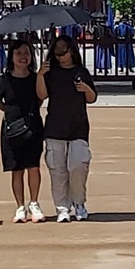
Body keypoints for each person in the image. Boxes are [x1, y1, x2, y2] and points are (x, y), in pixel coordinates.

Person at [40, 36, 96, 222]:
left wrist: (86, 88)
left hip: (78, 126)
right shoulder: (50, 72)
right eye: (57, 52)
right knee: (57, 171)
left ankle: (79, 202)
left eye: (63, 51)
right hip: (55, 127)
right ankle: (62, 207)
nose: (60, 56)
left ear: (71, 51)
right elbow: (41, 95)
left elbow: (92, 98)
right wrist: (41, 74)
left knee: (78, 165)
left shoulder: (81, 71)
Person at [0, 40, 46, 219]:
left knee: (34, 166)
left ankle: (34, 203)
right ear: (12, 56)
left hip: (33, 126)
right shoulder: (5, 79)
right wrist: (10, 111)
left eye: (27, 53)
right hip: (12, 127)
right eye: (19, 53)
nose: (23, 57)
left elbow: (41, 97)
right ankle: (20, 206)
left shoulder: (35, 77)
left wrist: (43, 74)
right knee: (16, 169)